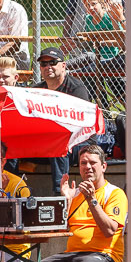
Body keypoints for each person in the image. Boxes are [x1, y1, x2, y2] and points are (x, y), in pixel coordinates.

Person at [30, 47, 91, 193]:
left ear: (63, 66)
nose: (48, 67)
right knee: (10, 144)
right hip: (47, 143)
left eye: (52, 62)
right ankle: (11, 192)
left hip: (78, 143)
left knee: (58, 144)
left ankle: (60, 196)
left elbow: (81, 126)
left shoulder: (76, 89)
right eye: (44, 64)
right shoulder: (37, 91)